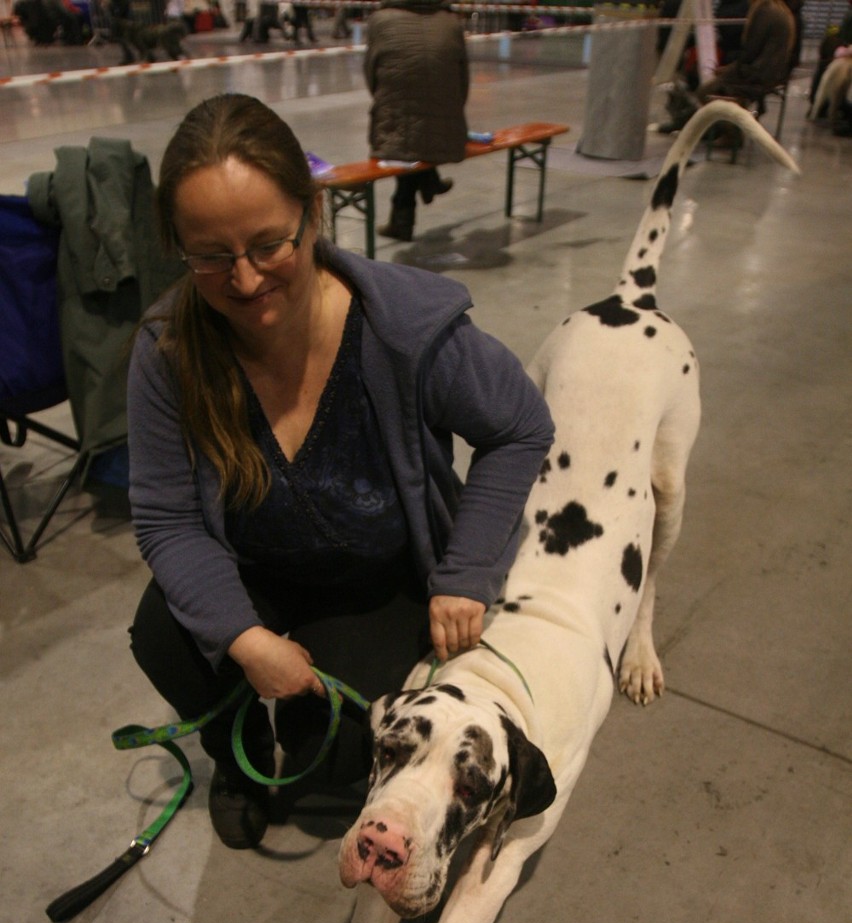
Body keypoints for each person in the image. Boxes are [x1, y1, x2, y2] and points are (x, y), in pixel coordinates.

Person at [126, 93, 555, 850]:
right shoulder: (169, 352)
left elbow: (519, 426)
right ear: (179, 247)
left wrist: (465, 572)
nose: (247, 281)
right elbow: (166, 518)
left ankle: (304, 726)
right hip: (252, 569)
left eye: (268, 245)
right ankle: (239, 754)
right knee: (165, 633)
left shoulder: (406, 328)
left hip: (373, 576)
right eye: (211, 256)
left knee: (334, 778)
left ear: (313, 216)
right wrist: (246, 640)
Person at [364, 0, 469, 242]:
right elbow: (463, 80)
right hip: (446, 122)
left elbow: (371, 73)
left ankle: (405, 216)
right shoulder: (451, 22)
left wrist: (387, 102)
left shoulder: (381, 20)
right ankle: (429, 181)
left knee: (404, 137)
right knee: (415, 135)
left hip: (397, 121)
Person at [662, 0, 794, 131]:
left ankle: (727, 132)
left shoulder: (764, 10)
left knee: (705, 91)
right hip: (770, 71)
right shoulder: (776, 8)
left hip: (759, 74)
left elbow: (750, 53)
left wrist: (727, 71)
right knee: (711, 81)